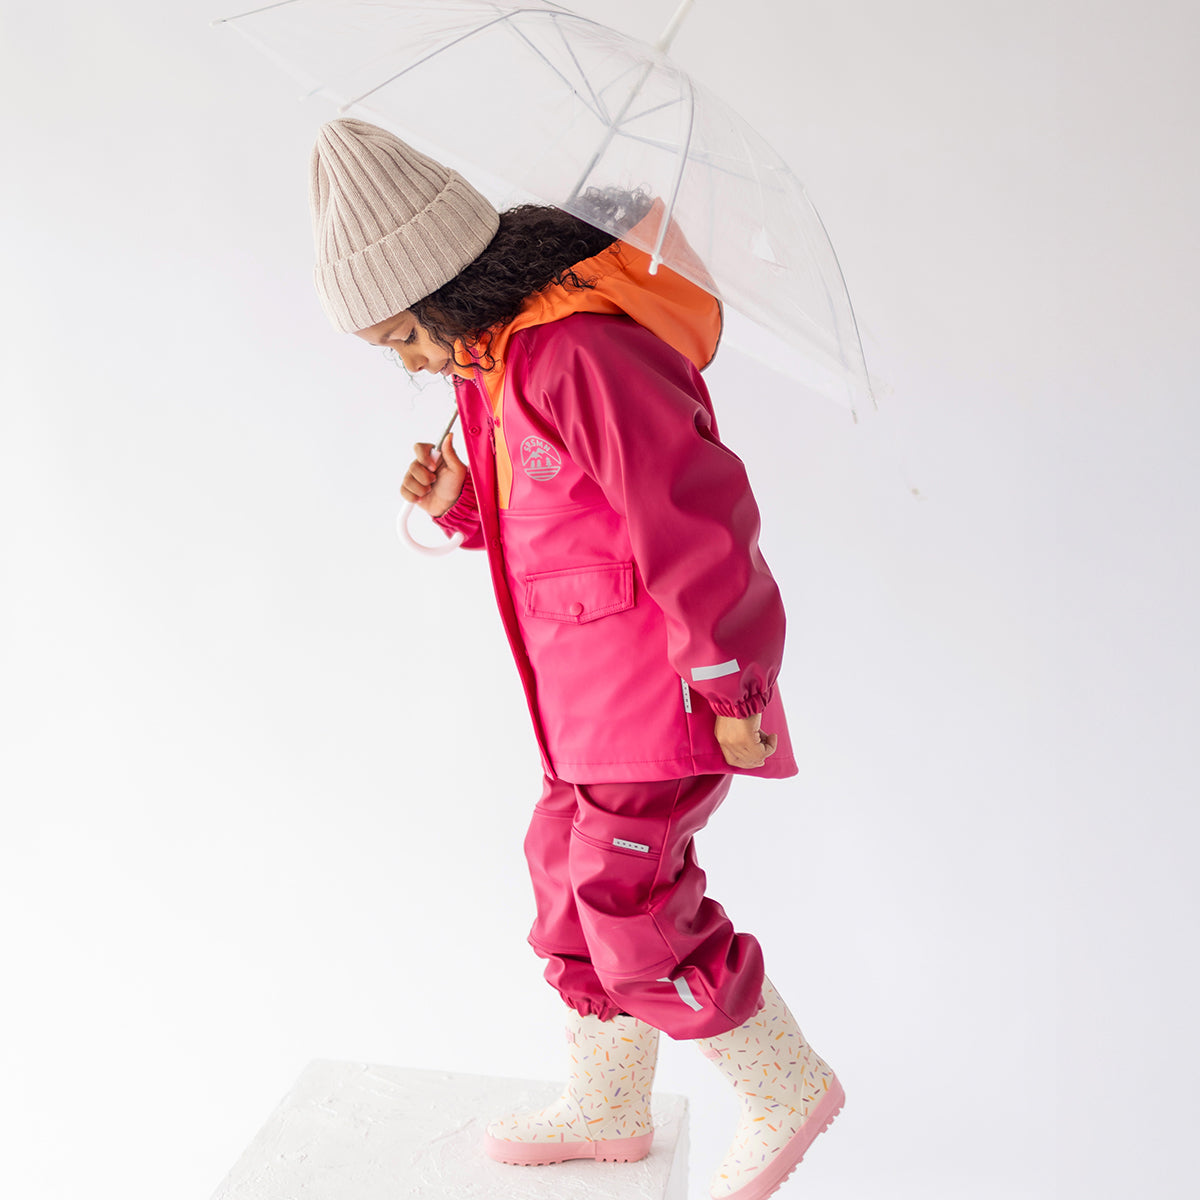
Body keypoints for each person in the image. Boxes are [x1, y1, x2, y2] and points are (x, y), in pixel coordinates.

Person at [309, 118, 843, 1200]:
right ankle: (608, 1103)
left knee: (628, 897)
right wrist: (462, 504)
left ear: (445, 286)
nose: (412, 364)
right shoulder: (496, 365)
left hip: (661, 696)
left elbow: (694, 517)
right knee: (565, 879)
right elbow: (559, 531)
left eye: (405, 338)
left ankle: (785, 1086)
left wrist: (730, 683)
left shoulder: (580, 354)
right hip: (583, 712)